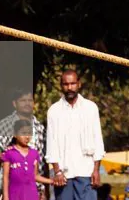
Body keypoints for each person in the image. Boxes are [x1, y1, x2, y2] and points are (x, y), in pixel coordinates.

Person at [46, 69, 106, 200]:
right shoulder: (54, 111)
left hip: (86, 172)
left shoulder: (90, 108)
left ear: (79, 84)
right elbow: (51, 144)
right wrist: (57, 171)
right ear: (61, 86)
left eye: (73, 84)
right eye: (66, 84)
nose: (69, 88)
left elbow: (98, 141)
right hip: (63, 175)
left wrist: (96, 170)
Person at [0, 89, 48, 197]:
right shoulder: (4, 126)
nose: (27, 103)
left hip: (36, 189)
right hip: (13, 190)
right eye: (23, 100)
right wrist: (13, 158)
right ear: (14, 103)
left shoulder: (40, 128)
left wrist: (45, 191)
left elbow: (43, 161)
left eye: (30, 100)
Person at [5, 120, 56, 200]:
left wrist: (52, 181)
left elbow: (35, 176)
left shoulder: (34, 153)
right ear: (15, 134)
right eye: (23, 133)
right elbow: (5, 177)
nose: (27, 137)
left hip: (31, 195)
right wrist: (6, 197)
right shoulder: (9, 153)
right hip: (14, 195)